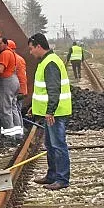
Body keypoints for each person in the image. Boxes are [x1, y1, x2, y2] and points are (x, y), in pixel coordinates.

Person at [27, 34, 72, 191]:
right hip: (52, 111)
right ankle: (52, 175)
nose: (31, 52)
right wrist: (36, 107)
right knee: (50, 145)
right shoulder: (46, 61)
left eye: (31, 48)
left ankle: (62, 178)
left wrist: (50, 111)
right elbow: (43, 90)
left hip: (56, 113)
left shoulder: (50, 63)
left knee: (58, 145)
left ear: (39, 46)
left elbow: (54, 89)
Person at [0, 36, 23, 140]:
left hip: (6, 82)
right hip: (13, 81)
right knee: (13, 108)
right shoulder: (10, 53)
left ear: (5, 44)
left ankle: (9, 135)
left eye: (0, 43)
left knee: (4, 109)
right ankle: (17, 133)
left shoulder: (5, 54)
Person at [8, 40, 29, 113]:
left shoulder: (15, 59)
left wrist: (21, 92)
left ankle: (18, 124)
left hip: (18, 91)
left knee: (15, 111)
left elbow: (21, 76)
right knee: (16, 110)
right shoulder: (19, 59)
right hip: (20, 90)